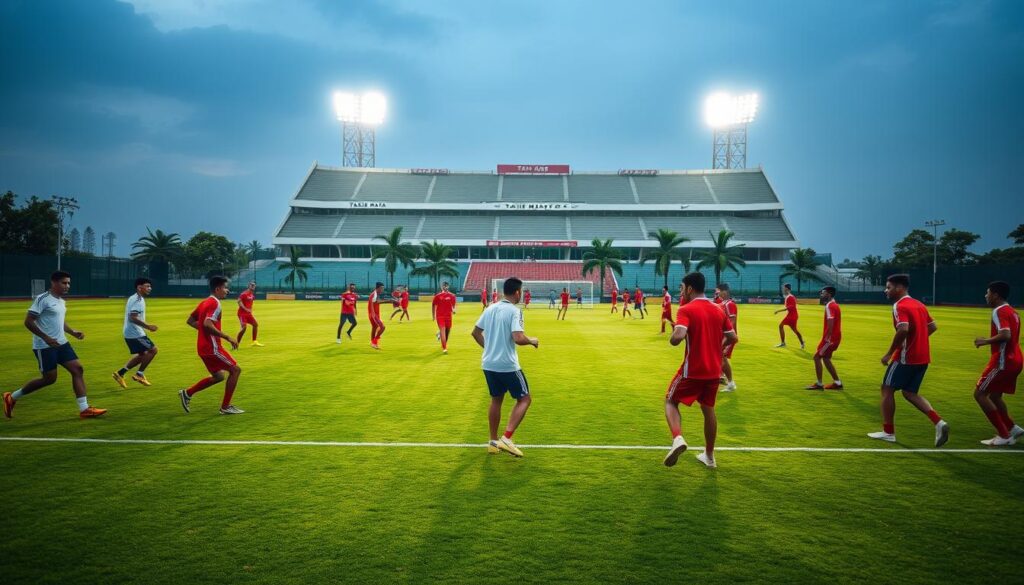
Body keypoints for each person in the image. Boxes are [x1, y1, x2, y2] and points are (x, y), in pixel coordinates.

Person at [3, 271, 107, 419]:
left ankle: (84, 409)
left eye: (69, 283)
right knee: (49, 379)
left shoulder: (61, 301)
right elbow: (28, 321)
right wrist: (45, 338)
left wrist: (72, 332)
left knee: (78, 369)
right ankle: (12, 397)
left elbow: (59, 320)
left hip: (62, 343)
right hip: (44, 346)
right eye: (64, 283)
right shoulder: (43, 299)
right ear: (54, 282)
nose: (67, 286)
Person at [664, 272, 738, 469]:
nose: (681, 292)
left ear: (689, 288)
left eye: (682, 288)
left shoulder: (686, 309)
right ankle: (710, 457)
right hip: (714, 372)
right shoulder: (718, 309)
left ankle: (677, 438)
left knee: (670, 401)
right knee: (708, 409)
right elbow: (732, 337)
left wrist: (674, 334)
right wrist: (717, 348)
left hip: (693, 370)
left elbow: (677, 337)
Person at [868, 274, 949, 446]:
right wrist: (918, 340)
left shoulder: (900, 305)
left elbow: (903, 329)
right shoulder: (919, 304)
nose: (886, 291)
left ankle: (888, 432)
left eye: (888, 287)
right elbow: (933, 326)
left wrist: (889, 353)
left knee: (886, 389)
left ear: (899, 288)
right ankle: (939, 422)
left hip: (906, 357)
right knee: (909, 393)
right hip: (923, 357)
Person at [472, 276, 539, 457]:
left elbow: (475, 333)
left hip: (488, 363)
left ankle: (493, 442)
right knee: (525, 399)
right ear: (517, 292)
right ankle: (507, 438)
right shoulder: (515, 311)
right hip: (507, 365)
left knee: (496, 400)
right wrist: (532, 341)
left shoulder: (490, 308)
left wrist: (490, 348)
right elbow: (518, 337)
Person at [178, 276, 244, 415]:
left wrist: (204, 331)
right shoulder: (215, 303)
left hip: (203, 348)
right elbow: (207, 324)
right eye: (225, 287)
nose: (227, 290)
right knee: (235, 370)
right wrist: (227, 337)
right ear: (218, 289)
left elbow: (190, 321)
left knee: (219, 376)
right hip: (212, 348)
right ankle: (225, 406)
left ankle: (187, 393)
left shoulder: (204, 302)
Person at [972, 281, 1024, 446]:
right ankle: (1012, 428)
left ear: (995, 295)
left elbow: (1006, 335)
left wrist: (985, 341)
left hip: (1003, 361)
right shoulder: (1013, 312)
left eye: (987, 293)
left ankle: (1004, 435)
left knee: (980, 394)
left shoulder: (998, 311)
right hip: (1016, 359)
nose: (986, 296)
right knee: (994, 395)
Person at [112, 277, 159, 388]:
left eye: (150, 286)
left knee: (142, 355)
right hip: (135, 333)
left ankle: (120, 373)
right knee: (153, 350)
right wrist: (148, 326)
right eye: (147, 286)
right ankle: (139, 374)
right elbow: (132, 317)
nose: (150, 288)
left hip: (130, 332)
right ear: (139, 287)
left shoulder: (135, 297)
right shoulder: (138, 300)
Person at [807, 286, 843, 390]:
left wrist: (827, 338)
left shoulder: (829, 305)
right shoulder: (835, 305)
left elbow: (830, 323)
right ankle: (837, 383)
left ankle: (819, 384)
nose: (821, 295)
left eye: (823, 293)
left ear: (829, 294)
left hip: (829, 339)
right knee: (826, 358)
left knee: (816, 357)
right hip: (835, 337)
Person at [717, 283, 738, 393]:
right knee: (720, 356)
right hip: (723, 336)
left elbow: (732, 321)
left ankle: (730, 383)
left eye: (718, 291)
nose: (717, 294)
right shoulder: (722, 304)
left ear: (724, 292)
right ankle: (722, 377)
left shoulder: (730, 304)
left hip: (729, 337)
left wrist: (726, 337)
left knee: (722, 357)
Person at [774, 283, 805, 348]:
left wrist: (778, 311)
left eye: (784, 288)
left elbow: (789, 307)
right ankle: (802, 343)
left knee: (780, 326)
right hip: (793, 315)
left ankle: (783, 343)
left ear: (787, 288)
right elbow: (789, 307)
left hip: (791, 316)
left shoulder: (790, 297)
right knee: (794, 330)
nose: (783, 289)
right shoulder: (789, 296)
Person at [432, 281, 458, 354]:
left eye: (446, 286)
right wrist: (433, 315)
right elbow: (433, 305)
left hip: (448, 317)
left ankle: (440, 336)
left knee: (447, 332)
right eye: (443, 286)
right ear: (441, 287)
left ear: (448, 287)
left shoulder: (452, 296)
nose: (445, 287)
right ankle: (444, 348)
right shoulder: (438, 296)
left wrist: (454, 310)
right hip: (440, 316)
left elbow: (454, 306)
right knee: (443, 331)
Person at [236, 281, 263, 347]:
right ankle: (236, 343)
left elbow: (250, 303)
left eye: (254, 285)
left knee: (255, 325)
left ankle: (254, 341)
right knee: (244, 328)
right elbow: (239, 301)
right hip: (242, 314)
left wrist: (250, 309)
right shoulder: (244, 294)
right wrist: (245, 308)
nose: (253, 286)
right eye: (251, 285)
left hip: (248, 314)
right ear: (248, 286)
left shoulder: (252, 295)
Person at [368, 281, 387, 349]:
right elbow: (371, 305)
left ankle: (372, 343)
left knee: (374, 327)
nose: (383, 289)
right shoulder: (373, 294)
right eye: (382, 288)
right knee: (382, 327)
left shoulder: (376, 294)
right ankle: (374, 342)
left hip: (374, 315)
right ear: (378, 288)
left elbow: (378, 302)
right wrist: (373, 315)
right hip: (373, 315)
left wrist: (390, 301)